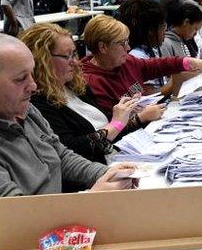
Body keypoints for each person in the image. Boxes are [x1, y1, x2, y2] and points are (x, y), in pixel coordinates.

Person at [0, 33, 138, 241]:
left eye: (31, 74)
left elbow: (60, 155)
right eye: (20, 79)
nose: (34, 85)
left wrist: (107, 173)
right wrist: (89, 201)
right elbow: (16, 223)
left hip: (44, 232)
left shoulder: (20, 110)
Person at [20, 24, 164, 165]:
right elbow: (71, 151)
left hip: (115, 160)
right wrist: (118, 122)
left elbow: (109, 131)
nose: (75, 62)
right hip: (98, 173)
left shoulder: (77, 87)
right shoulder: (37, 103)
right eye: (66, 56)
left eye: (74, 54)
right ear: (42, 60)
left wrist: (128, 116)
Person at [80, 15, 202, 116]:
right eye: (122, 43)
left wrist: (189, 62)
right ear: (103, 47)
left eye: (127, 42)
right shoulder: (92, 83)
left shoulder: (127, 61)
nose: (128, 47)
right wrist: (141, 117)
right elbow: (110, 126)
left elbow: (158, 65)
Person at [114, 0, 172, 94]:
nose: (164, 32)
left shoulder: (150, 50)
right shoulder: (136, 56)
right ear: (150, 31)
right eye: (163, 27)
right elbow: (143, 95)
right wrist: (174, 84)